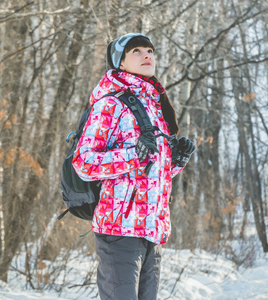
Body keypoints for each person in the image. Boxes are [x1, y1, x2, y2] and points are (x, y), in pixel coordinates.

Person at [72, 33, 196, 300]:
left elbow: (150, 171)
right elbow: (83, 162)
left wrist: (176, 162)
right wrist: (133, 156)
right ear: (120, 61)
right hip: (119, 229)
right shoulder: (110, 104)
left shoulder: (155, 107)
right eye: (136, 51)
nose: (147, 55)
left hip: (153, 228)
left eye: (150, 50)